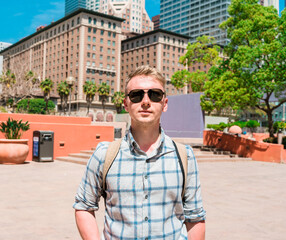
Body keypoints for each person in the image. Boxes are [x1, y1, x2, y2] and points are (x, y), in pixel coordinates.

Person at [73, 66, 206, 239]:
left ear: (164, 104)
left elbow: (195, 218)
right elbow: (84, 206)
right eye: (136, 95)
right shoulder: (104, 155)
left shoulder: (184, 156)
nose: (145, 101)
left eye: (154, 95)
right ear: (126, 104)